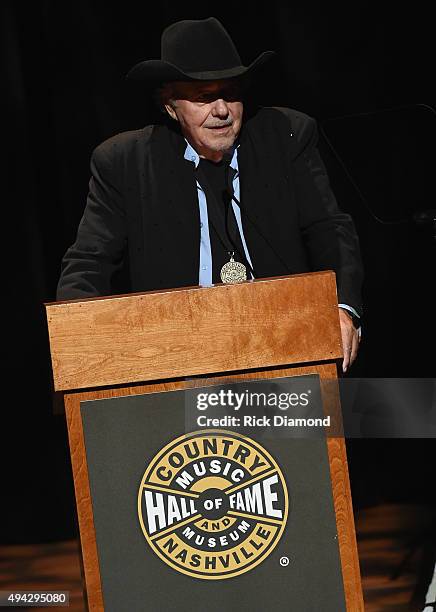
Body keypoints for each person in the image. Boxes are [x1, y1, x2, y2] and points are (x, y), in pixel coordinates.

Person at [56, 17, 363, 372]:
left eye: (230, 94)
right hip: (175, 357)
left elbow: (329, 228)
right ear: (170, 107)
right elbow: (89, 262)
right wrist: (76, 341)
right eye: (204, 97)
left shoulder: (287, 136)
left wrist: (343, 308)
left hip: (284, 342)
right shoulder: (124, 163)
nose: (221, 111)